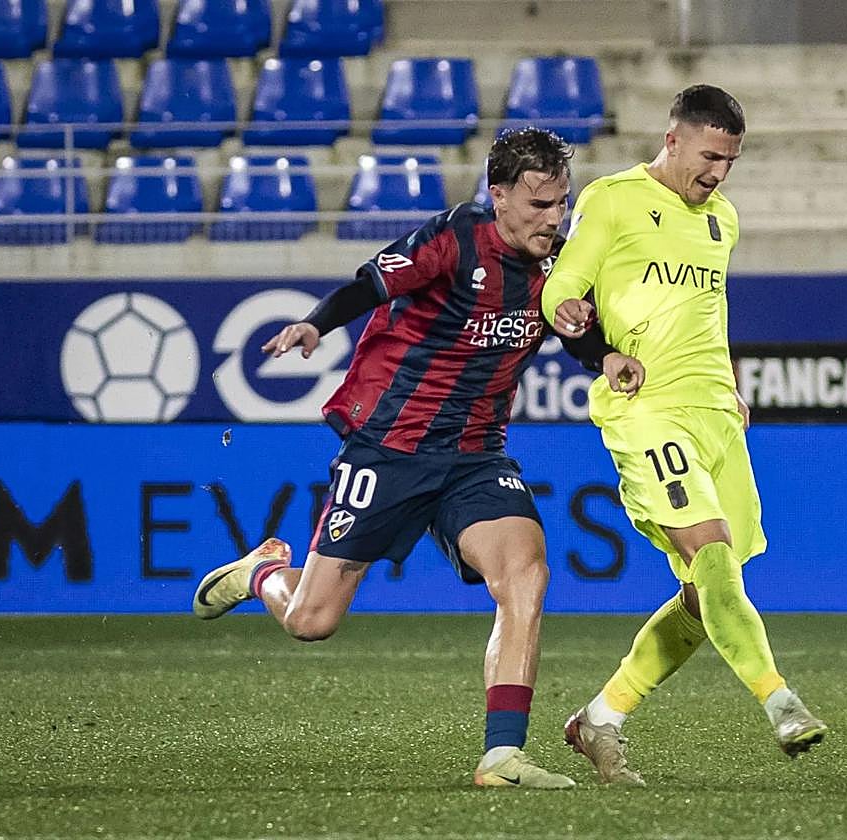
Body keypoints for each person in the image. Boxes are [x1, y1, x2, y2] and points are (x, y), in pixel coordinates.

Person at [191, 128, 644, 790]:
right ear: (498, 195)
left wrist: (604, 356)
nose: (555, 218)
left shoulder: (559, 264)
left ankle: (502, 755)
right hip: (390, 448)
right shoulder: (455, 238)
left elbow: (570, 326)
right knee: (312, 621)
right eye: (540, 204)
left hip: (477, 454)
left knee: (525, 575)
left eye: (561, 203)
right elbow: (370, 285)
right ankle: (263, 572)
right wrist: (316, 323)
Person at [541, 85, 828, 786]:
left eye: (730, 161)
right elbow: (561, 283)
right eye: (709, 157)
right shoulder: (612, 200)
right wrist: (573, 315)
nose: (718, 174)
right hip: (646, 411)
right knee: (712, 553)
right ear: (672, 141)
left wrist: (728, 386)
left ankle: (601, 717)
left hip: (716, 416)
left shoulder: (722, 220)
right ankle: (780, 702)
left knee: (707, 597)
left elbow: (707, 312)